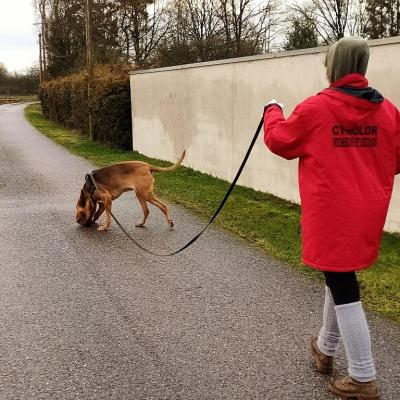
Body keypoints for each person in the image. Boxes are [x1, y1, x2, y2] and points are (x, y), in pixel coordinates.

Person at [263, 36, 400, 400]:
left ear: (333, 65)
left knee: (342, 282)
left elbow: (280, 141)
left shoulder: (316, 108)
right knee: (338, 273)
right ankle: (325, 348)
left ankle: (362, 375)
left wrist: (272, 110)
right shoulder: (388, 111)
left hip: (331, 209)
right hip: (368, 208)